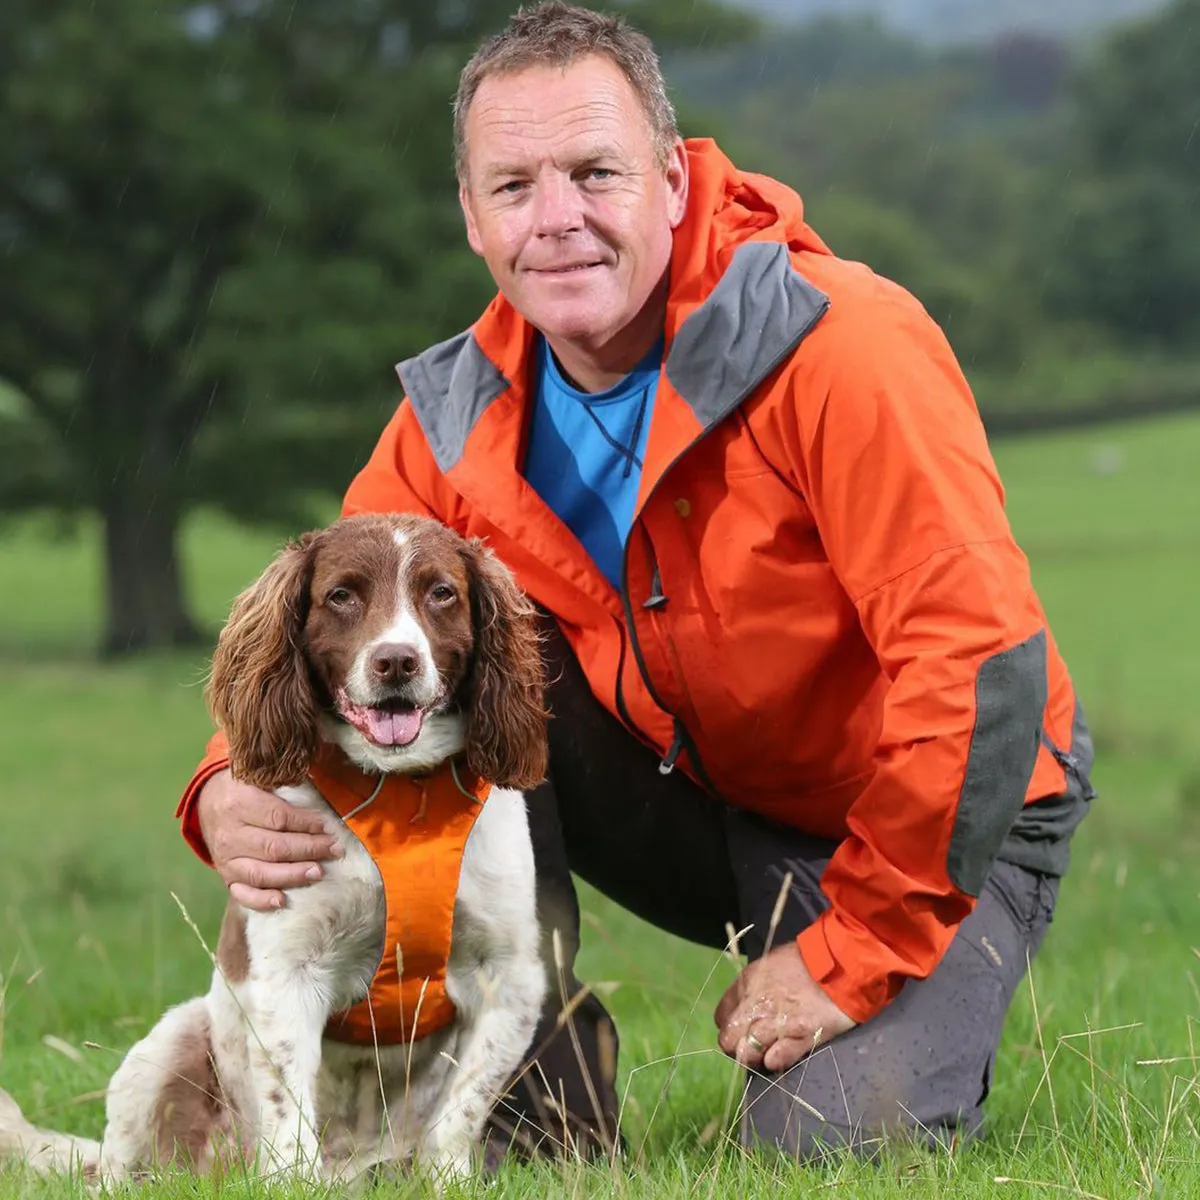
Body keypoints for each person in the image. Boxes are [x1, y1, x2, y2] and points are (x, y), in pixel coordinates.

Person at [176, 0, 1094, 1163]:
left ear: (671, 179)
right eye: (513, 187)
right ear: (470, 215)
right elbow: (319, 637)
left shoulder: (843, 344)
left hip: (940, 811)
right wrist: (221, 786)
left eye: (594, 173)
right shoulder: (457, 414)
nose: (556, 220)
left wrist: (851, 948)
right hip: (698, 792)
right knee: (454, 652)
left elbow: (981, 669)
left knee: (825, 1147)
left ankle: (877, 1002)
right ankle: (541, 1109)